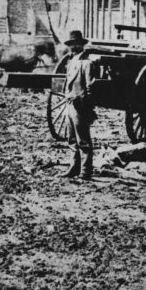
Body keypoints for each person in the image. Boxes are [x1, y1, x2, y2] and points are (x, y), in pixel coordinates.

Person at [61, 30, 98, 180]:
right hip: (69, 104)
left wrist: (86, 106)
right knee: (71, 140)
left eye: (75, 44)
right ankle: (73, 169)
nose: (72, 47)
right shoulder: (71, 62)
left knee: (83, 140)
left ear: (81, 45)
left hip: (80, 105)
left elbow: (90, 87)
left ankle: (85, 172)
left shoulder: (86, 63)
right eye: (70, 44)